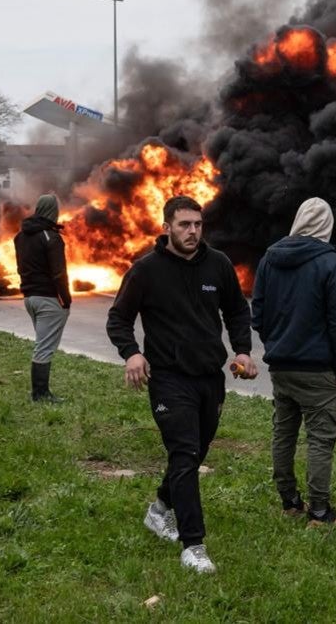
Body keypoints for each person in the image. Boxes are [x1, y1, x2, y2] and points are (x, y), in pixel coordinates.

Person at [106, 195, 256, 574]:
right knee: (185, 453)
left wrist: (242, 351)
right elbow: (118, 318)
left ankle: (159, 509)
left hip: (210, 378)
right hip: (169, 379)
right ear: (167, 227)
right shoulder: (146, 271)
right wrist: (132, 353)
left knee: (196, 452)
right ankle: (194, 545)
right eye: (184, 225)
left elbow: (237, 310)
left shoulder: (218, 265)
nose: (192, 231)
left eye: (197, 225)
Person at [251, 197, 336, 526]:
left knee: (284, 432)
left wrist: (276, 346)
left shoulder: (269, 259)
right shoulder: (332, 263)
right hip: (319, 370)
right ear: (326, 225)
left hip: (281, 367)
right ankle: (320, 512)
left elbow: (259, 314)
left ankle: (289, 500)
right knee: (320, 439)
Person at [13, 194, 71, 403]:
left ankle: (40, 392)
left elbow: (20, 267)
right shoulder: (51, 237)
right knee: (44, 347)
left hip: (29, 298)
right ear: (52, 212)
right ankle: (40, 394)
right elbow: (58, 273)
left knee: (42, 343)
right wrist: (66, 299)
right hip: (48, 298)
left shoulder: (20, 236)